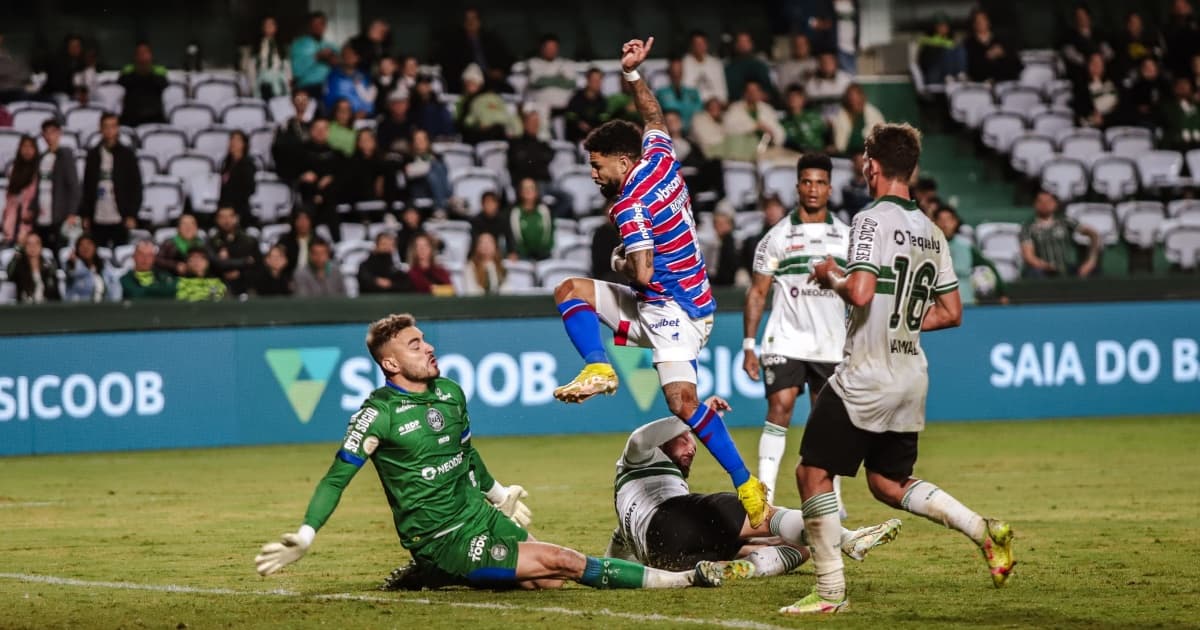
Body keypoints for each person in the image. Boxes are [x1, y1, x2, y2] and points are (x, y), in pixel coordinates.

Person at [257, 313, 724, 591]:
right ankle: (680, 580)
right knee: (563, 560)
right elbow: (337, 477)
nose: (429, 347)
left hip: (478, 516)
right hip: (442, 537)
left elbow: (465, 452)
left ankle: (439, 576)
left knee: (549, 581)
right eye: (414, 344)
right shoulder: (376, 415)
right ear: (391, 363)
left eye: (425, 338)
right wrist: (305, 534)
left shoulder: (450, 392)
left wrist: (498, 493)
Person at [781, 123, 1015, 615]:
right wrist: (900, 323)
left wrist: (830, 276)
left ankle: (828, 593)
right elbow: (952, 312)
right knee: (887, 483)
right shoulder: (932, 230)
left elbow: (862, 292)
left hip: (868, 373)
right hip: (910, 374)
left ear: (873, 165)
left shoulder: (871, 220)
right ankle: (983, 530)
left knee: (811, 472)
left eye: (864, 158)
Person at [552, 36, 769, 528]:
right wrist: (632, 75)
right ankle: (599, 369)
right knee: (570, 290)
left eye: (597, 163)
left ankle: (746, 482)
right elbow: (654, 118)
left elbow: (644, 273)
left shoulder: (627, 206)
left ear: (622, 163)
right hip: (690, 298)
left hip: (672, 309)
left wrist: (620, 262)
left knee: (682, 404)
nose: (592, 172)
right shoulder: (660, 158)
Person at [604, 394, 901, 577]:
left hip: (666, 560)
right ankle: (849, 538)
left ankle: (740, 571)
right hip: (672, 518)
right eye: (684, 440)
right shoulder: (638, 455)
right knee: (765, 514)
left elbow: (619, 541)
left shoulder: (631, 495)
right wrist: (695, 416)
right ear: (664, 442)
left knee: (799, 548)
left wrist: (608, 567)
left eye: (693, 444)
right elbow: (641, 437)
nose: (692, 448)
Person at [742, 154, 851, 503]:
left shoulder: (846, 237)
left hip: (830, 343)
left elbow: (858, 292)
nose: (813, 189)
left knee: (826, 419)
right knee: (780, 407)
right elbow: (758, 291)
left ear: (830, 188)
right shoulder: (777, 238)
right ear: (798, 186)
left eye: (820, 182)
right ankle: (766, 496)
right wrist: (748, 343)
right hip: (784, 338)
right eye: (807, 182)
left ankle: (830, 494)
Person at [82, 113, 142, 248]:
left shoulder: (127, 155)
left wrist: (132, 214)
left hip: (120, 217)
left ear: (118, 128)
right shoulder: (93, 155)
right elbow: (86, 186)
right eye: (106, 127)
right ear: (100, 129)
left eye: (113, 127)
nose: (109, 131)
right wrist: (85, 214)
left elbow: (136, 186)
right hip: (97, 217)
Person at [933, 206, 1008, 305]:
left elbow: (989, 266)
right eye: (940, 220)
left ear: (955, 222)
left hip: (965, 302)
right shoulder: (928, 247)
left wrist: (1002, 293)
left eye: (948, 220)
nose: (944, 224)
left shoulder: (966, 247)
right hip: (937, 303)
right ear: (934, 223)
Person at [1020, 189, 1101, 278]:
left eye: (1048, 201)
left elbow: (1093, 234)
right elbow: (1029, 256)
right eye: (1040, 201)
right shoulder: (1028, 227)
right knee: (1033, 273)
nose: (1044, 204)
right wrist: (1045, 266)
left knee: (1093, 271)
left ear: (1055, 204)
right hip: (1042, 270)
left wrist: (1091, 261)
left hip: (1065, 267)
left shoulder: (1065, 221)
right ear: (1035, 204)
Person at [507, 111, 572, 218]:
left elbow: (548, 157)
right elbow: (520, 165)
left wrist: (534, 160)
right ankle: (538, 219)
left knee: (568, 197)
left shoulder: (543, 144)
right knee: (537, 192)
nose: (535, 125)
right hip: (527, 183)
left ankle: (550, 219)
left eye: (537, 122)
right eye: (532, 122)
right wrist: (536, 161)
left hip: (546, 182)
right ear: (525, 123)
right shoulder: (516, 143)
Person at [437, 8, 514, 94]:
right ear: (463, 23)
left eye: (474, 19)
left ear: (479, 22)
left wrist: (499, 72)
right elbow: (449, 66)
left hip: (491, 80)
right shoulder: (454, 42)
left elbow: (507, 59)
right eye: (467, 19)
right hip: (466, 82)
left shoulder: (491, 40)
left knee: (508, 91)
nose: (471, 22)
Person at [36, 120, 82, 251]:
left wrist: (72, 213)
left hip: (60, 215)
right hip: (41, 215)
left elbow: (74, 186)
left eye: (53, 132)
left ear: (59, 133)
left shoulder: (66, 155)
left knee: (59, 250)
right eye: (46, 133)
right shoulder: (41, 157)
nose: (50, 136)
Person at [296, 118, 344, 235]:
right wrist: (302, 176)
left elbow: (343, 175)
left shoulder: (336, 154)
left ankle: (336, 241)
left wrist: (331, 178)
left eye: (324, 129)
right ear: (311, 131)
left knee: (330, 188)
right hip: (307, 195)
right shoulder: (301, 152)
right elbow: (291, 172)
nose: (320, 132)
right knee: (309, 183)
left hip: (329, 198)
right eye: (317, 129)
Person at [456, 64, 519, 144]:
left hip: (495, 134)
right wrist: (477, 125)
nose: (470, 85)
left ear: (480, 83)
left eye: (473, 82)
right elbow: (464, 122)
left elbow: (505, 115)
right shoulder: (463, 101)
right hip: (474, 135)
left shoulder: (489, 98)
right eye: (468, 82)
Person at [723, 80, 786, 158]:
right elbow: (728, 128)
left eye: (756, 90)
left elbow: (779, 131)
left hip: (766, 150)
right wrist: (753, 126)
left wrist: (772, 133)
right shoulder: (735, 109)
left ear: (760, 93)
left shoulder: (767, 109)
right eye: (750, 91)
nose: (753, 94)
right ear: (745, 93)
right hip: (742, 151)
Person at [209, 206, 260, 295]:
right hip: (219, 286)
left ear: (236, 218)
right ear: (217, 219)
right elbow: (215, 263)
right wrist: (244, 261)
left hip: (245, 286)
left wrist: (239, 273)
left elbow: (257, 265)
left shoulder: (249, 241)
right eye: (222, 217)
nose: (226, 221)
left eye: (230, 216)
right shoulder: (212, 242)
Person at [963, 9, 1021, 84]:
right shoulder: (969, 43)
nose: (981, 23)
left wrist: (1002, 54)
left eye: (984, 19)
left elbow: (1017, 64)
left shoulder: (1001, 40)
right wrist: (987, 57)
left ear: (988, 21)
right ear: (973, 24)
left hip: (1004, 83)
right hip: (980, 85)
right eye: (978, 21)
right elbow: (971, 68)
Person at [291, 11, 338, 102]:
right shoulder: (298, 44)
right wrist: (317, 56)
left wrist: (333, 60)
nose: (317, 27)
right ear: (309, 26)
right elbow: (296, 71)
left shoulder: (331, 45)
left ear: (325, 26)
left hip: (327, 89)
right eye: (314, 24)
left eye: (321, 24)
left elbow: (341, 63)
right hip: (305, 89)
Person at [118, 43, 167, 127]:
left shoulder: (160, 79)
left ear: (151, 56)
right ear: (135, 57)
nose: (143, 57)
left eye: (145, 53)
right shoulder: (125, 79)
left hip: (155, 120)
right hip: (130, 121)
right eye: (140, 54)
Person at [342, 129, 390, 215]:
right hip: (357, 206)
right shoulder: (351, 163)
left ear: (374, 142)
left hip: (381, 205)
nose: (366, 143)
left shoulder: (383, 162)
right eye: (362, 140)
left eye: (368, 139)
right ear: (358, 143)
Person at [2, 135, 39, 246]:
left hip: (31, 220)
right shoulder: (14, 170)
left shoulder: (39, 170)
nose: (27, 150)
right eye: (24, 146)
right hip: (12, 219)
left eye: (30, 147)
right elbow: (9, 197)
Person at [1060, 4, 1113, 79]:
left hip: (1102, 70)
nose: (1081, 19)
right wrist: (1089, 62)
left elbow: (1108, 52)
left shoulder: (1099, 33)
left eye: (1083, 15)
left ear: (1089, 17)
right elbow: (1071, 55)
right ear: (1075, 19)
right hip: (1081, 73)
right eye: (1078, 16)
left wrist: (1099, 62)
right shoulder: (1069, 36)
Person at [403, 128, 451, 211]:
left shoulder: (437, 157)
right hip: (417, 190)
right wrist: (428, 165)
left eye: (422, 139)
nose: (419, 142)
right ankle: (442, 206)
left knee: (437, 168)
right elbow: (409, 173)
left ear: (428, 141)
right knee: (432, 172)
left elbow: (444, 172)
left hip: (434, 190)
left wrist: (425, 166)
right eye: (417, 139)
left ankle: (443, 203)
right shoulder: (408, 158)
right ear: (413, 142)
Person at [526, 34, 576, 112]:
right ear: (542, 48)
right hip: (540, 110)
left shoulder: (566, 63)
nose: (551, 50)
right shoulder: (533, 63)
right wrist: (559, 79)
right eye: (548, 47)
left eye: (554, 47)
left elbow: (571, 84)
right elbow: (536, 82)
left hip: (564, 110)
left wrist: (546, 79)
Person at [507, 178, 554, 261]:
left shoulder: (544, 210)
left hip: (544, 255)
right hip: (522, 256)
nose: (528, 190)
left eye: (531, 188)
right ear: (520, 192)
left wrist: (544, 250)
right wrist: (520, 251)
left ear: (536, 192)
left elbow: (550, 232)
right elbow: (513, 235)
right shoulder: (515, 212)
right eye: (525, 188)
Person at [6, 233, 61, 303]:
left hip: (46, 307)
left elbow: (55, 292)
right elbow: (10, 275)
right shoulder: (19, 266)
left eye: (36, 243)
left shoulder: (48, 266)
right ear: (24, 247)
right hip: (25, 307)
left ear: (41, 246)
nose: (33, 247)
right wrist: (18, 250)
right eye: (29, 244)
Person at [831, 84, 884, 157]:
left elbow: (880, 142)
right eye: (852, 100)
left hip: (870, 156)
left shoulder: (874, 114)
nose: (854, 103)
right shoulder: (842, 116)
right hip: (846, 157)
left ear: (863, 98)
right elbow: (840, 146)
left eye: (857, 100)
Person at [725, 31, 777, 104]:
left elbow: (769, 91)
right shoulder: (729, 68)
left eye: (746, 41)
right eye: (740, 41)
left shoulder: (760, 66)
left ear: (751, 44)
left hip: (759, 105)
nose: (742, 45)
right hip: (736, 106)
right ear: (735, 45)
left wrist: (759, 96)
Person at [325, 45, 375, 118]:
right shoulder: (333, 75)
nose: (349, 57)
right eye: (346, 55)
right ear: (342, 57)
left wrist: (365, 111)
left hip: (360, 117)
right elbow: (327, 98)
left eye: (352, 55)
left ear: (357, 58)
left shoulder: (364, 76)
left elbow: (369, 99)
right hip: (337, 117)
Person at [1072, 52, 1120, 129]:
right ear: (1088, 65)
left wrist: (1106, 119)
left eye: (1099, 63)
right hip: (1091, 128)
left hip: (1112, 125)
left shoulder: (1115, 84)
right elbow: (1080, 109)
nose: (1096, 66)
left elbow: (1122, 109)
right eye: (1093, 63)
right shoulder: (1080, 87)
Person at [917, 13, 967, 86]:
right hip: (934, 75)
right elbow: (926, 61)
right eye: (940, 25)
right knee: (948, 49)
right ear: (935, 27)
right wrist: (946, 45)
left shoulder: (950, 39)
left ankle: (961, 74)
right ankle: (949, 76)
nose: (943, 28)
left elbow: (953, 46)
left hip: (951, 76)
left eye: (945, 25)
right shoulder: (928, 39)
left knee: (960, 49)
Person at [219, 130, 257, 226]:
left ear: (244, 144)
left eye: (237, 140)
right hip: (225, 206)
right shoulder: (226, 163)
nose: (233, 143)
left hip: (240, 208)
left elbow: (250, 188)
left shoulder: (248, 164)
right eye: (232, 139)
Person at [63, 234, 116, 302]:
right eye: (81, 245)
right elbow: (73, 274)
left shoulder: (104, 270)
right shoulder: (72, 268)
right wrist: (76, 262)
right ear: (77, 249)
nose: (85, 248)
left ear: (95, 247)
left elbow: (112, 291)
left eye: (89, 244)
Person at [1112, 12, 1163, 82]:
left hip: (1153, 69)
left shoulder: (1151, 36)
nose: (1135, 25)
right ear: (1127, 25)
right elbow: (1122, 59)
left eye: (1137, 22)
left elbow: (1159, 51)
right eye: (1132, 23)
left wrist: (1150, 53)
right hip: (1133, 72)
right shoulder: (1122, 40)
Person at [656, 58, 703, 134]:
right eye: (674, 72)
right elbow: (666, 109)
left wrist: (676, 108)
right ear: (669, 73)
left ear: (683, 73)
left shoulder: (693, 92)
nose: (676, 75)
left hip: (693, 132)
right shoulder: (661, 93)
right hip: (670, 133)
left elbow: (699, 110)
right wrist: (688, 107)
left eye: (679, 72)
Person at [781, 86, 831, 154]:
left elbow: (827, 135)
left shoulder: (814, 116)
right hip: (797, 155)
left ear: (803, 99)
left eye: (796, 97)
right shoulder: (783, 122)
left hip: (820, 154)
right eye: (790, 97)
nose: (793, 99)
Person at [681, 31, 728, 105]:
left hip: (715, 106)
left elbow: (722, 92)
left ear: (707, 45)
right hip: (693, 105)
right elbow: (685, 89)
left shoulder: (716, 64)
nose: (699, 46)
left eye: (702, 43)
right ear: (691, 46)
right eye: (696, 44)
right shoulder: (684, 63)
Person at [248, 16, 289, 99]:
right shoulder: (257, 46)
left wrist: (288, 80)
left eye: (272, 24)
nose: (269, 27)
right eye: (266, 25)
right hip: (263, 83)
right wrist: (252, 85)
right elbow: (251, 67)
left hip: (279, 82)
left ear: (276, 28)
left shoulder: (281, 46)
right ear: (262, 28)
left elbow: (286, 65)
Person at [565, 68, 609, 143]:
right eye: (595, 80)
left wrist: (593, 128)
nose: (598, 83)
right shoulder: (577, 97)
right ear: (588, 81)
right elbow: (570, 115)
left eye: (600, 80)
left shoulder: (602, 101)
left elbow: (604, 120)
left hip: (596, 137)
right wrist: (578, 123)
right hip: (578, 137)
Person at [39, 34, 86, 100]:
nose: (76, 49)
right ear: (67, 47)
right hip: (54, 94)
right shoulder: (58, 61)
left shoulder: (80, 62)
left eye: (78, 46)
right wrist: (74, 91)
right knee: (63, 98)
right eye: (73, 46)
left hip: (73, 94)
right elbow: (57, 85)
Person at [1160, 76, 1200, 152]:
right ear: (1174, 88)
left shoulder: (1197, 105)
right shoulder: (1167, 106)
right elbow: (1172, 123)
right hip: (1175, 145)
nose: (1183, 87)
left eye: (1185, 84)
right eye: (1179, 84)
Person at [376, 90, 414, 157]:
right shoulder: (383, 125)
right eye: (395, 103)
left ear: (408, 104)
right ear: (389, 106)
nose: (399, 106)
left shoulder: (413, 123)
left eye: (402, 103)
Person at [706, 212, 739, 287]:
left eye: (723, 224)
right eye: (717, 224)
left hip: (730, 279)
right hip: (713, 279)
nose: (719, 227)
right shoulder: (711, 245)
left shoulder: (735, 243)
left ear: (730, 226)